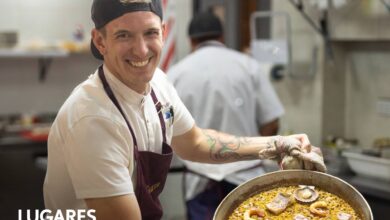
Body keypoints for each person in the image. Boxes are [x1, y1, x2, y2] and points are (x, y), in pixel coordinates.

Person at [43, 1, 326, 220]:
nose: (141, 50)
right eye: (124, 35)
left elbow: (196, 143)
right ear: (100, 41)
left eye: (150, 33)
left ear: (163, 32)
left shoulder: (159, 84)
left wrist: (276, 144)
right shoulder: (93, 119)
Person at [167, 11, 285, 219]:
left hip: (201, 181)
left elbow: (168, 134)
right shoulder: (248, 65)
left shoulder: (176, 73)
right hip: (246, 179)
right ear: (222, 37)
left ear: (191, 40)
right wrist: (254, 146)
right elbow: (271, 123)